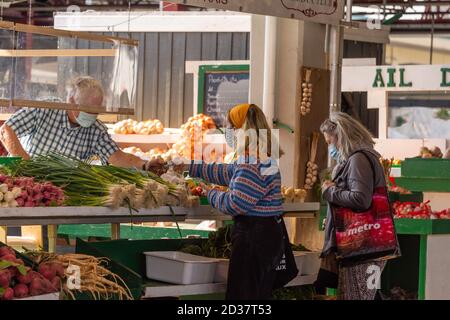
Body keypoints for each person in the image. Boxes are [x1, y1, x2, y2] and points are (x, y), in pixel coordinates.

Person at [175, 104, 289, 300]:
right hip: (268, 233)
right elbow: (227, 172)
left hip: (254, 237)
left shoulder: (251, 160)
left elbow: (235, 203)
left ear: (241, 129)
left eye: (230, 127)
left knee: (242, 297)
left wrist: (208, 192)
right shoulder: (264, 157)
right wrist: (189, 166)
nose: (227, 132)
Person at [0, 76, 161, 172]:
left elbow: (117, 157)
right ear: (71, 102)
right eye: (88, 110)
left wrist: (145, 165)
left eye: (96, 111)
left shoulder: (96, 131)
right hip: (25, 184)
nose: (92, 116)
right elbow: (6, 130)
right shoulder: (45, 109)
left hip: (60, 191)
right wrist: (27, 166)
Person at [318, 112, 390, 300]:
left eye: (329, 142)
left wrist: (329, 192)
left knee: (357, 295)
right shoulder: (361, 158)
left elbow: (361, 199)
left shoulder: (358, 160)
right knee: (364, 294)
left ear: (341, 137)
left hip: (362, 245)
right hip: (366, 245)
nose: (329, 147)